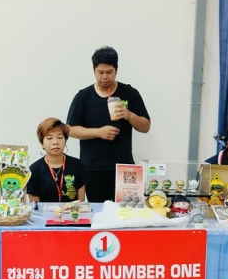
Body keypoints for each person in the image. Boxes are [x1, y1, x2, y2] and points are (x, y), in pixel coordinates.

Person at [66, 46, 151, 202]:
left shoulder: (130, 93)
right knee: (99, 211)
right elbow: (70, 130)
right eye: (100, 72)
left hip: (125, 167)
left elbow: (145, 126)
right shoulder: (83, 96)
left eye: (109, 72)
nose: (105, 77)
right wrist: (99, 132)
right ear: (94, 71)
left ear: (116, 70)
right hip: (93, 168)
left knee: (128, 211)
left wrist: (129, 115)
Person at [27, 118, 86, 203]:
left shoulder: (78, 165)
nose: (55, 142)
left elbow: (81, 203)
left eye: (60, 137)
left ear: (65, 141)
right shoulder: (34, 170)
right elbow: (35, 206)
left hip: (72, 211)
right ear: (42, 143)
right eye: (49, 138)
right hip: (44, 212)